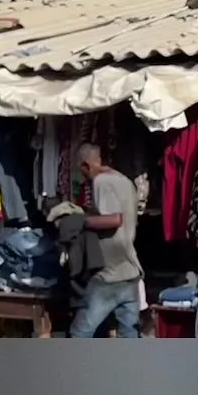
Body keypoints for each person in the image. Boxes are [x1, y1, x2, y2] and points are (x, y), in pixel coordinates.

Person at [69, 144, 144, 338]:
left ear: (86, 165)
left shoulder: (102, 181)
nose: (82, 176)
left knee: (80, 332)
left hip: (110, 274)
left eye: (81, 171)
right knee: (129, 333)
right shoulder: (123, 180)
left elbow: (113, 219)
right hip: (129, 270)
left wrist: (81, 221)